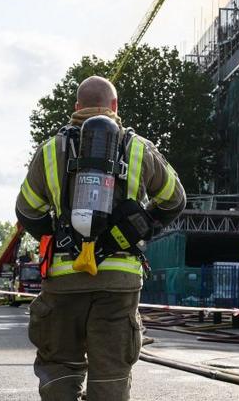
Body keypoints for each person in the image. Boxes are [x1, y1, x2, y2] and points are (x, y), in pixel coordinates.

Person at [17, 75, 186, 400]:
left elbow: (27, 211)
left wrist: (56, 235)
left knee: (59, 370)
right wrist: (139, 228)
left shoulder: (51, 151)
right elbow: (175, 201)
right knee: (110, 376)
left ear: (76, 107)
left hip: (64, 281)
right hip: (118, 283)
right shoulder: (138, 149)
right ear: (115, 107)